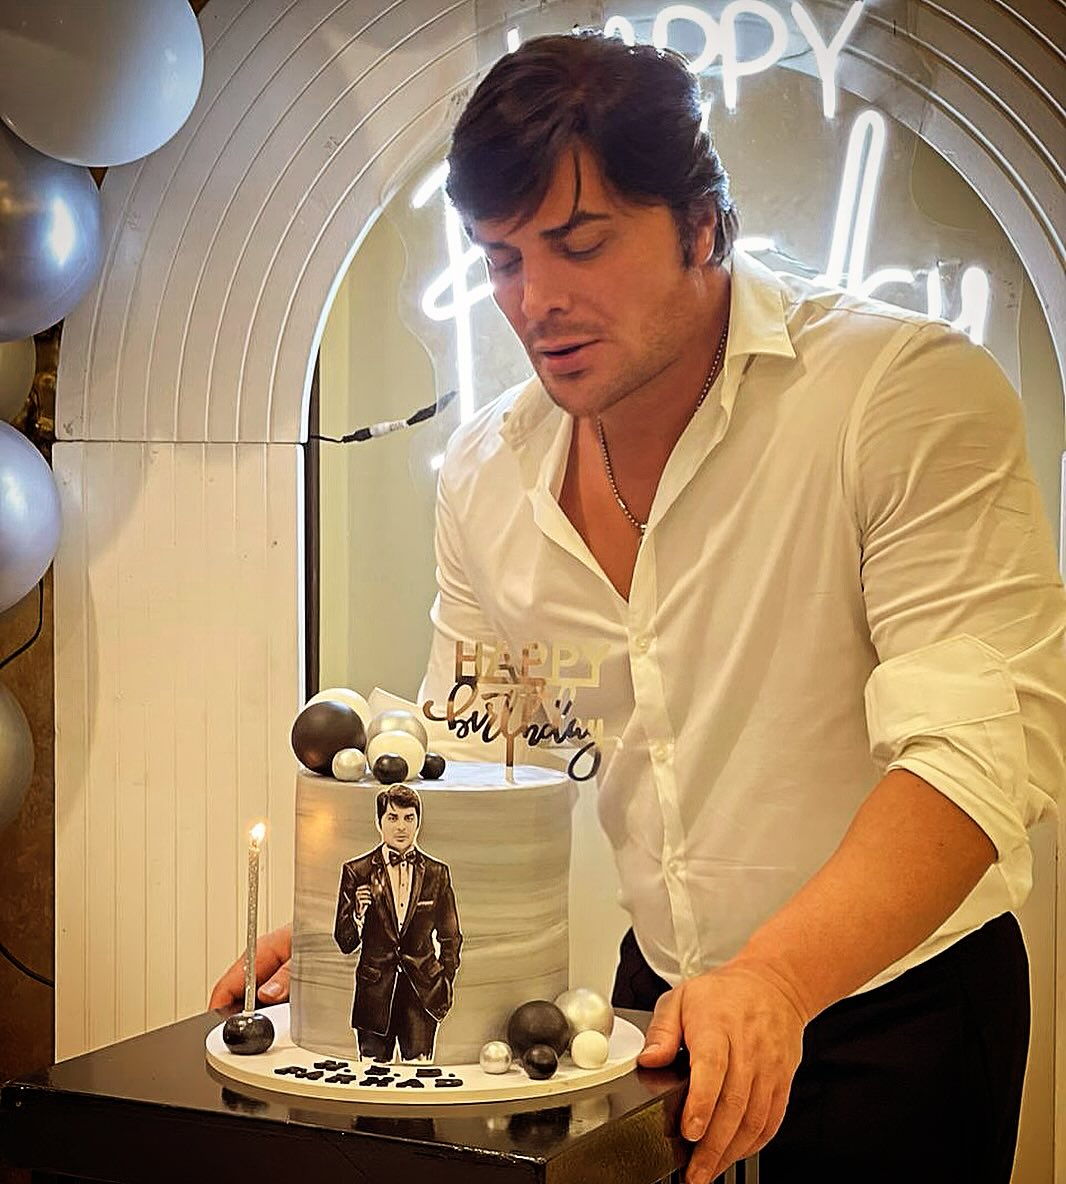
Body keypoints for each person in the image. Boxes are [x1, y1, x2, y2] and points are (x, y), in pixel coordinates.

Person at [212, 31, 1066, 1184]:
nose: (536, 301)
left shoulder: (898, 394)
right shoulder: (487, 475)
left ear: (702, 225)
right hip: (651, 1003)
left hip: (898, 1009)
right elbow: (474, 743)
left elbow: (979, 750)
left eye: (580, 244)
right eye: (502, 259)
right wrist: (337, 936)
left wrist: (777, 977)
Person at [332, 785, 461, 1061]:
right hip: (374, 995)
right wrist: (358, 914)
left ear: (418, 822)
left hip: (422, 995)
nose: (401, 827)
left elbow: (451, 938)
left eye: (408, 818)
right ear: (379, 822)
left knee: (420, 1074)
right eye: (392, 818)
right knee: (372, 1075)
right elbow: (344, 942)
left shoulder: (437, 873)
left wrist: (444, 982)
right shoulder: (357, 872)